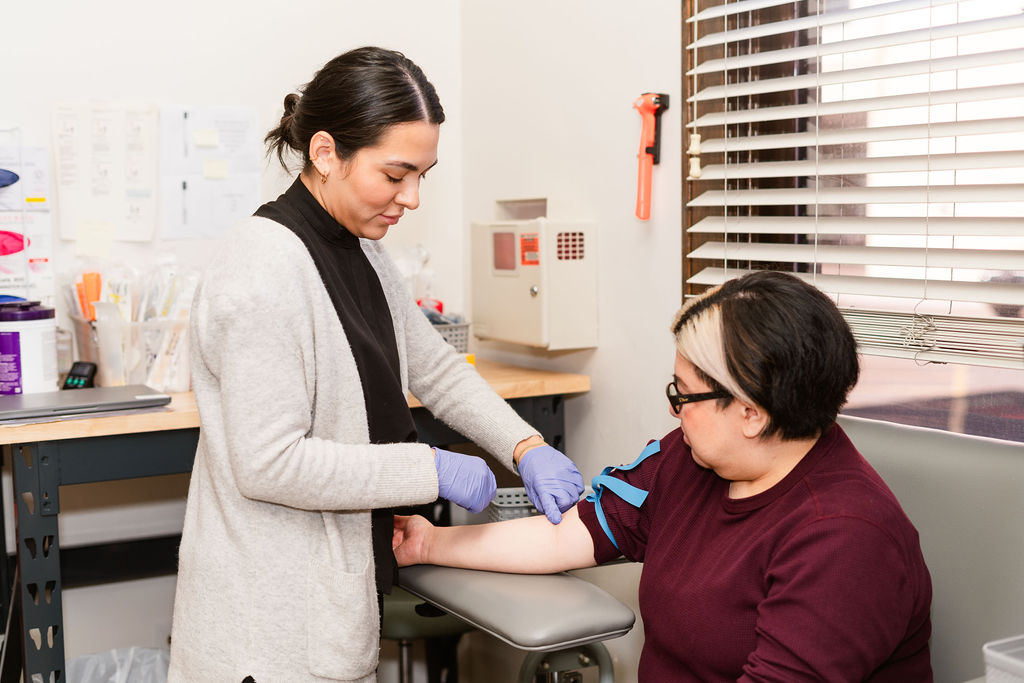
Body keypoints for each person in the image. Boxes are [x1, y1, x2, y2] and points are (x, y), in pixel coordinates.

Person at [167, 46, 583, 683]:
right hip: (265, 628)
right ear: (327, 153)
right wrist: (430, 468)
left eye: (424, 174)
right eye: (395, 175)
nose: (412, 197)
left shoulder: (359, 246)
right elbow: (269, 463)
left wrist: (524, 444)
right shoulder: (262, 269)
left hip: (322, 601)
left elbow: (433, 367)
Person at [393, 270, 934, 682]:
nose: (674, 410)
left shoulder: (842, 538)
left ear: (752, 413)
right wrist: (430, 542)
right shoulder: (694, 458)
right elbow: (574, 531)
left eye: (685, 394)